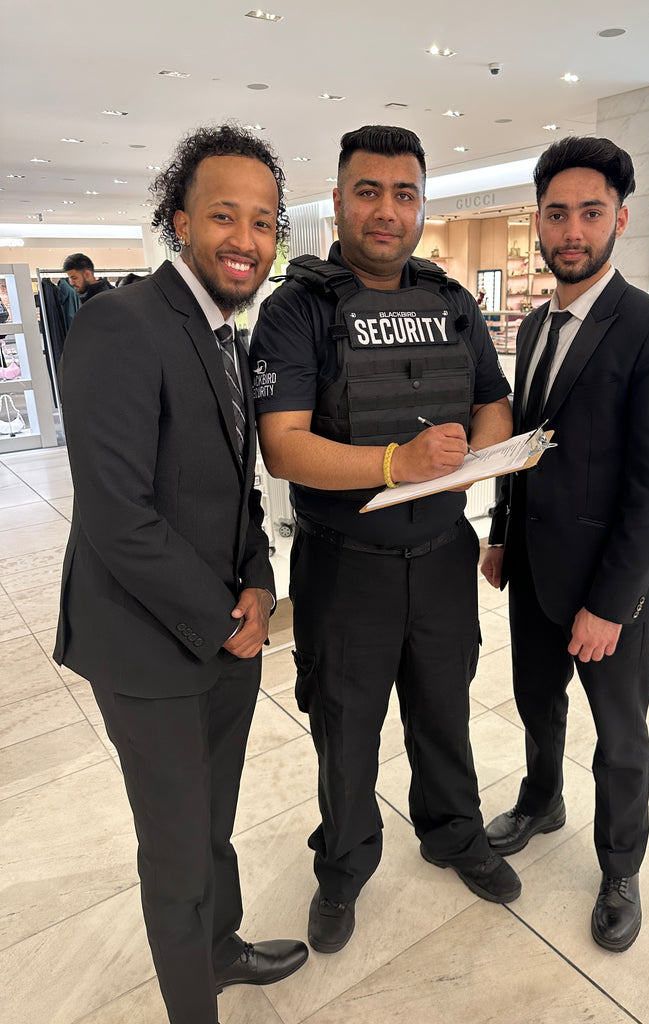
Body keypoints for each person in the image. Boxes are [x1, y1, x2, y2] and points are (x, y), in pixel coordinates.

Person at [54, 124, 308, 1024]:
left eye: (265, 221)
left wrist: (260, 582)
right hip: (147, 646)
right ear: (179, 219)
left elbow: (235, 489)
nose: (246, 238)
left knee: (212, 824)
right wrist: (224, 613)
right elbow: (119, 517)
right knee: (174, 850)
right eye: (225, 216)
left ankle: (221, 946)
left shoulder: (223, 335)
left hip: (223, 633)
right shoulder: (120, 326)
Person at [251, 124, 520, 955]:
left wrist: (472, 462)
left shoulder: (452, 301)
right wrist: (396, 463)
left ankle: (454, 833)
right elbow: (283, 443)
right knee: (346, 726)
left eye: (404, 193)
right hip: (344, 567)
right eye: (368, 191)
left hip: (442, 559)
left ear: (421, 207)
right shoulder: (298, 310)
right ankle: (343, 867)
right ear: (336, 202)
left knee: (445, 713)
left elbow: (492, 400)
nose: (386, 210)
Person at [480, 136, 649, 952]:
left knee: (620, 734)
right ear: (538, 220)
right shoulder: (536, 327)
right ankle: (543, 799)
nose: (572, 230)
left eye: (590, 213)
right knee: (537, 700)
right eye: (557, 213)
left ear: (620, 220)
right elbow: (526, 446)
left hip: (612, 581)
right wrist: (501, 533)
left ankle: (620, 865)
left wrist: (611, 604)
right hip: (533, 564)